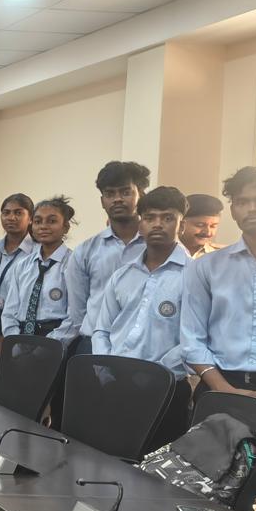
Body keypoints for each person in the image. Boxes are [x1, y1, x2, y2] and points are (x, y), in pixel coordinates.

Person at [91, 186, 193, 447]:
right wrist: (106, 370)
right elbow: (102, 329)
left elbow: (194, 340)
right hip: (114, 383)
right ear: (140, 225)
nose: (157, 224)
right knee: (109, 454)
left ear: (181, 226)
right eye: (149, 217)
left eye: (168, 218)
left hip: (166, 387)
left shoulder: (195, 276)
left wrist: (152, 375)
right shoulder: (122, 275)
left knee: (154, 464)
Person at [183, 166, 256, 407]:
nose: (252, 208)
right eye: (242, 202)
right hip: (218, 385)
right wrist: (225, 390)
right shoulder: (206, 267)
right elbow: (192, 339)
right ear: (233, 211)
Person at [67, 160, 150, 354]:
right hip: (92, 346)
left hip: (142, 348)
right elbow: (77, 310)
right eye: (110, 194)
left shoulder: (156, 247)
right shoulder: (86, 251)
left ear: (141, 194)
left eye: (125, 192)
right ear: (102, 201)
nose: (117, 199)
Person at [0, 196, 78, 343]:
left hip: (56, 338)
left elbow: (75, 315)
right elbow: (9, 312)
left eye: (52, 221)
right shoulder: (22, 265)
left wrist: (49, 345)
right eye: (37, 221)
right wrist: (14, 340)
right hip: (21, 338)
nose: (43, 226)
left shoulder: (74, 264)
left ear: (66, 227)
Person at [0, 193, 36, 394]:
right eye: (6, 212)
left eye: (18, 213)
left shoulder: (37, 252)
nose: (11, 217)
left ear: (30, 218)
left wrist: (6, 338)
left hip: (18, 325)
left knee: (14, 389)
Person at [181, 193, 224, 258]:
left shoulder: (221, 255)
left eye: (213, 226)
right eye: (200, 225)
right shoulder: (165, 252)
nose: (208, 232)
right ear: (181, 223)